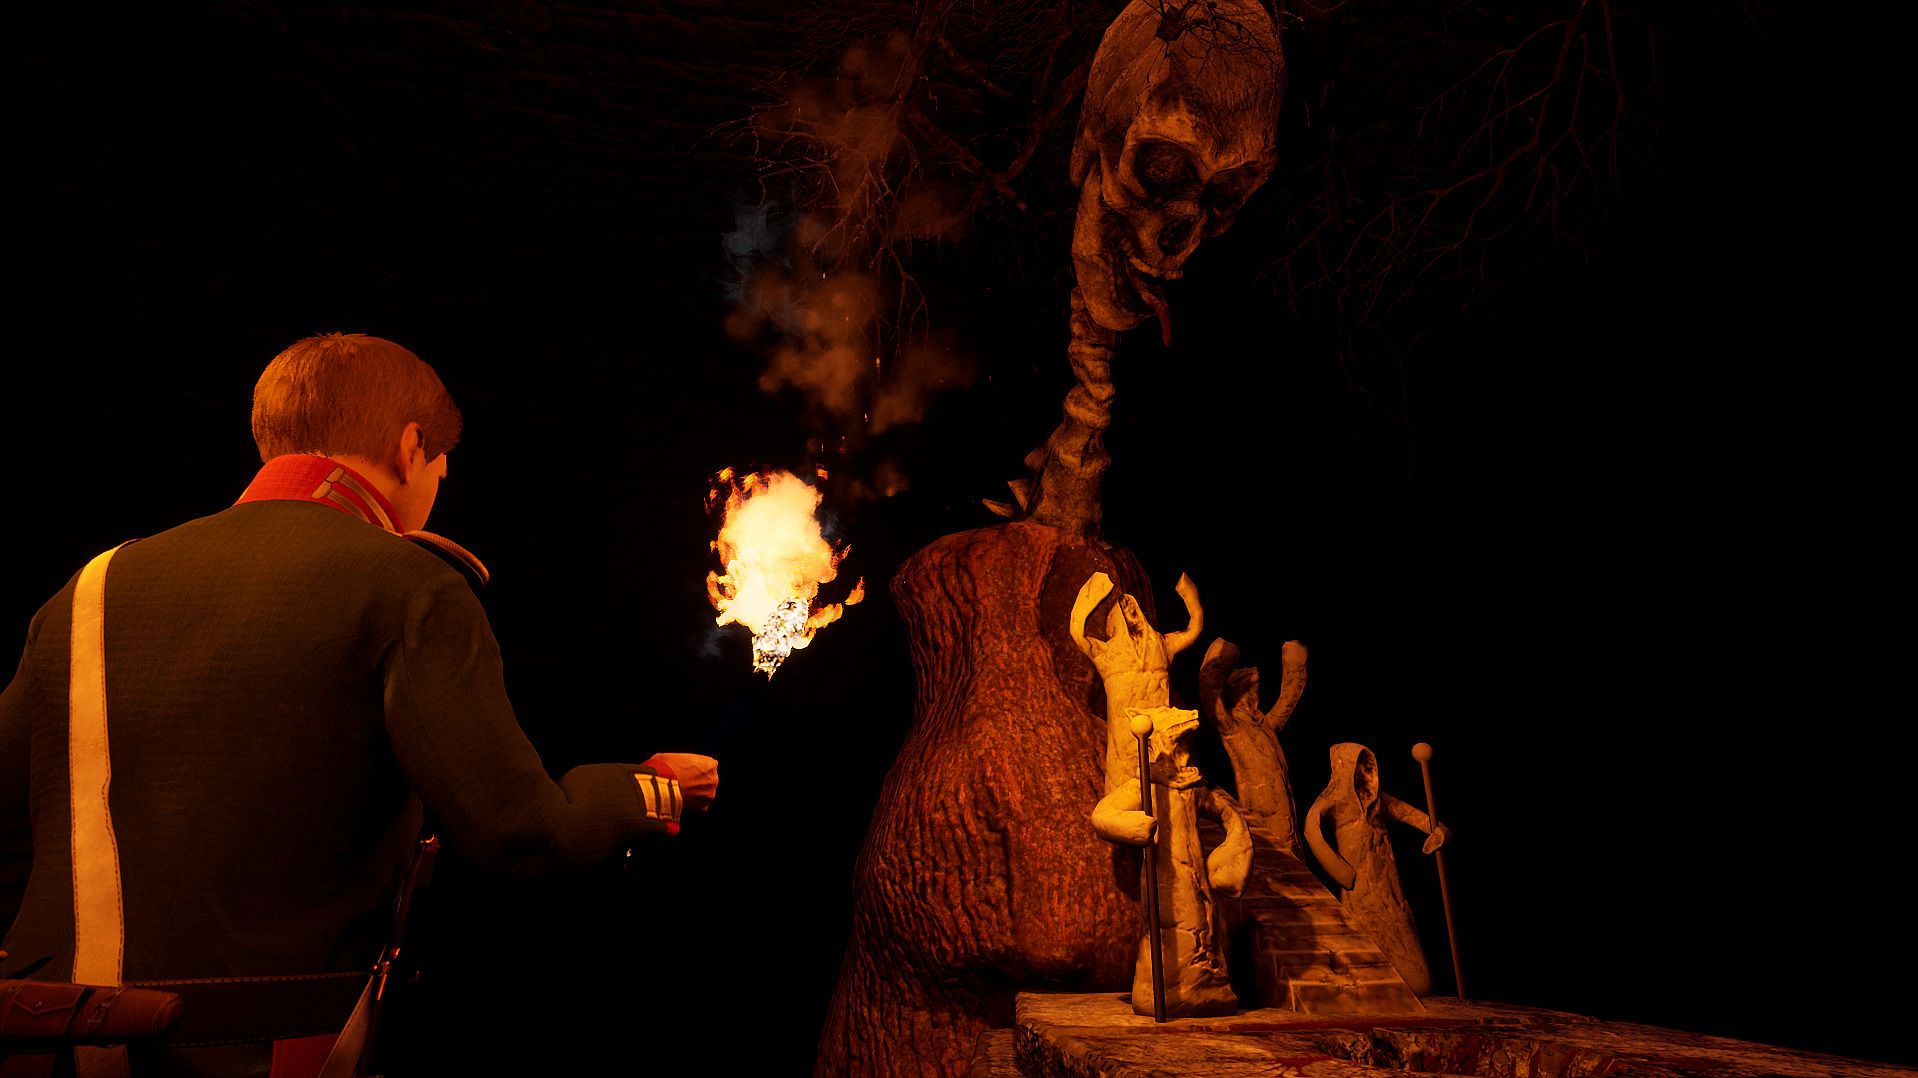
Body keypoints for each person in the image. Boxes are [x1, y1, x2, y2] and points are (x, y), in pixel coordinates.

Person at [0, 333, 717, 1076]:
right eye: (439, 468)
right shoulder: (409, 584)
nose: (435, 488)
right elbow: (523, 835)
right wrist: (653, 788)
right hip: (260, 1052)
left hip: (39, 1051)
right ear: (410, 448)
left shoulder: (90, 586)